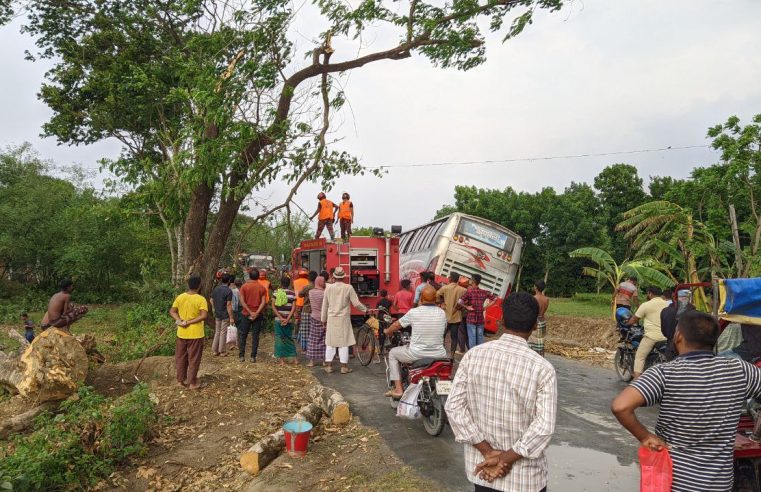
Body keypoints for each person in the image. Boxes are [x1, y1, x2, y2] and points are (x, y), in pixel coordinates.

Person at [611, 310, 761, 492]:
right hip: (720, 484)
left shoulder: (665, 373)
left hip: (675, 481)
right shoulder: (740, 370)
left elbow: (621, 406)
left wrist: (645, 437)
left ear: (679, 336)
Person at [446, 292, 557, 492]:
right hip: (525, 479)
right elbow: (543, 427)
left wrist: (488, 453)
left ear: (502, 319)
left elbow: (454, 408)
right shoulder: (542, 368)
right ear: (534, 326)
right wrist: (505, 458)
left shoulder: (473, 356)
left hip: (484, 472)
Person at [383, 286, 448, 398]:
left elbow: (396, 325)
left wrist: (388, 331)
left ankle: (398, 390)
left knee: (393, 353)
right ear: (435, 300)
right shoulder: (442, 313)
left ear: (421, 299)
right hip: (439, 355)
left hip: (417, 354)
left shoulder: (414, 312)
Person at [321, 266, 367, 374]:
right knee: (344, 343)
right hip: (344, 319)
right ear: (343, 277)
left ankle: (328, 366)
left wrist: (323, 319)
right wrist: (365, 309)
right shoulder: (348, 288)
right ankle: (344, 367)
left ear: (334, 277)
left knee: (330, 343)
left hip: (332, 318)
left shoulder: (329, 288)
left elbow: (325, 305)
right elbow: (356, 303)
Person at [169, 276, 208, 390]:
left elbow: (172, 311)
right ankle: (192, 383)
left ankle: (180, 381)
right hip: (195, 334)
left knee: (180, 357)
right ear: (199, 286)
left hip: (181, 333)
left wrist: (180, 320)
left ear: (188, 285)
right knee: (194, 358)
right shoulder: (200, 299)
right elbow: (203, 315)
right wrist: (190, 322)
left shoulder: (180, 297)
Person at [626, 286, 669, 378]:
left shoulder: (646, 305)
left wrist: (628, 323)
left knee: (639, 357)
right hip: (667, 337)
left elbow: (634, 319)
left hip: (652, 337)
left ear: (650, 294)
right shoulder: (667, 304)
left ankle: (636, 382)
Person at [458, 274, 497, 348]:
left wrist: (467, 307)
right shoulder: (484, 292)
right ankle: (479, 352)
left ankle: (472, 353)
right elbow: (495, 299)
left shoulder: (469, 292)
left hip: (471, 318)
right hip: (480, 319)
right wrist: (485, 307)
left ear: (472, 281)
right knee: (480, 338)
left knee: (472, 337)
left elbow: (459, 301)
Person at [239, 269, 268, 363]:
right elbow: (263, 302)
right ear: (258, 276)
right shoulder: (262, 288)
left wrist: (250, 312)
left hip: (245, 314)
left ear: (249, 276)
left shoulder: (244, 287)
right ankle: (253, 357)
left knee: (243, 335)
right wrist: (256, 312)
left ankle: (241, 356)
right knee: (255, 336)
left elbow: (242, 302)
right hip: (258, 315)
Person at [437, 272, 467, 356]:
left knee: (442, 335)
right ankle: (452, 356)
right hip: (456, 317)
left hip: (445, 316)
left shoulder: (445, 288)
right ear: (457, 280)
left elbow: (436, 296)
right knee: (454, 337)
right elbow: (467, 301)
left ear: (450, 279)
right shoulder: (463, 290)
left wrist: (441, 304)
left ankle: (440, 353)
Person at [660, 289, 694, 361]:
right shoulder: (693, 313)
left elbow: (664, 332)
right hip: (688, 350)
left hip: (670, 348)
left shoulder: (665, 311)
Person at [272, 275, 298, 365]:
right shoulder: (292, 294)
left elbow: (273, 306)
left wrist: (280, 317)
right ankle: (295, 359)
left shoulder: (276, 293)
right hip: (289, 320)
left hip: (278, 320)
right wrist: (287, 319)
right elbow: (293, 308)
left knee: (279, 338)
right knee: (289, 339)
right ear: (289, 284)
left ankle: (282, 361)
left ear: (281, 283)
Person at [210, 274, 235, 357]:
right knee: (223, 332)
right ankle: (222, 351)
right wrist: (231, 317)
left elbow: (211, 300)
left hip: (217, 313)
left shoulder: (216, 288)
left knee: (217, 331)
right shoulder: (228, 291)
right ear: (228, 281)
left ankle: (214, 350)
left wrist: (214, 308)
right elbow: (228, 305)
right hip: (224, 314)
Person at [307, 276, 328, 368]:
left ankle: (312, 361)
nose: (324, 283)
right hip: (324, 318)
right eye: (323, 282)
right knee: (324, 339)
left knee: (313, 339)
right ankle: (324, 361)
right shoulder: (324, 293)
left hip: (314, 316)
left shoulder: (310, 292)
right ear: (320, 282)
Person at [529, 280, 550, 357]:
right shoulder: (546, 299)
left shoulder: (533, 298)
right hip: (542, 322)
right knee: (540, 343)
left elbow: (531, 312)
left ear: (536, 287)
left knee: (531, 342)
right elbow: (544, 311)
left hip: (534, 321)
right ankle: (540, 357)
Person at [293, 269, 310, 352]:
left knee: (297, 319)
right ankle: (301, 335)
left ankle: (296, 334)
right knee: (304, 321)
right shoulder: (308, 282)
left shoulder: (295, 281)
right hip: (305, 304)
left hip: (297, 303)